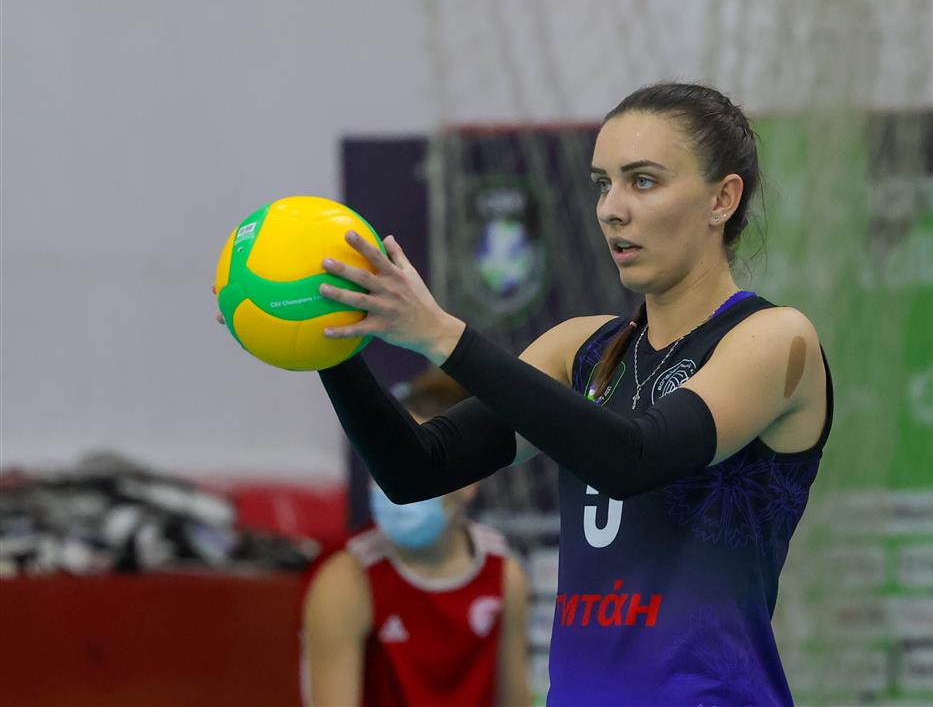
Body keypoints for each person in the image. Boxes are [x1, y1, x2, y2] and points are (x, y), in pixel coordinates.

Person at [222, 82, 832, 705]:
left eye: (644, 181)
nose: (612, 209)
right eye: (603, 184)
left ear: (722, 199)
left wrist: (441, 335)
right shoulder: (580, 348)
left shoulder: (775, 339)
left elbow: (633, 458)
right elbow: (416, 468)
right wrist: (327, 337)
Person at [300, 369, 530, 707]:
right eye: (384, 467)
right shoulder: (345, 582)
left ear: (469, 480)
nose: (394, 485)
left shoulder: (504, 576)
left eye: (413, 468)